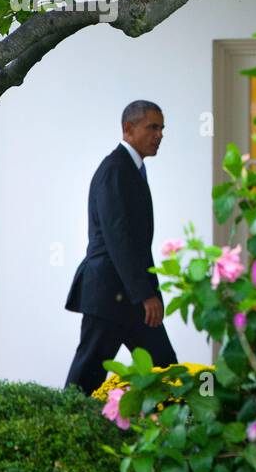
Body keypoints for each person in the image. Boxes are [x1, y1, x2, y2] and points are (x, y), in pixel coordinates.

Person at [63, 100, 177, 395]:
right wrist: (146, 294)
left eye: (162, 128)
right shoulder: (115, 169)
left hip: (130, 298)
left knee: (166, 369)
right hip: (109, 296)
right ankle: (61, 432)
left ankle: (172, 435)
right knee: (86, 378)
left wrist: (151, 294)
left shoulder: (130, 169)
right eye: (153, 127)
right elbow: (119, 241)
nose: (160, 134)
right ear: (128, 128)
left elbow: (136, 245)